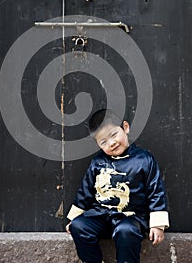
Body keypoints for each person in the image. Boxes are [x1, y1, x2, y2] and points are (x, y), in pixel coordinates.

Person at [65, 109, 169, 263]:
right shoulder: (97, 163)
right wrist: (73, 218)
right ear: (98, 145)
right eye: (103, 142)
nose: (111, 143)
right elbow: (85, 192)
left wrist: (157, 225)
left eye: (114, 135)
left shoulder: (145, 160)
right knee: (78, 226)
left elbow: (156, 192)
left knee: (126, 231)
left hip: (131, 218)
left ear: (125, 127)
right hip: (100, 215)